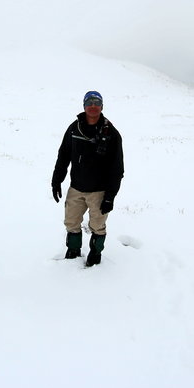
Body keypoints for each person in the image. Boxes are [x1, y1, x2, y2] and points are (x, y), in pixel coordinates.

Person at [51, 90, 124, 267]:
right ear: (84, 105)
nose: (93, 106)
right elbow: (64, 155)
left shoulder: (112, 134)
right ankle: (74, 250)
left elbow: (117, 169)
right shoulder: (74, 128)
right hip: (76, 188)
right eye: (89, 102)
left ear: (101, 106)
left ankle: (95, 253)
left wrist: (110, 197)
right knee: (71, 222)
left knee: (98, 225)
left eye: (96, 102)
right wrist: (56, 180)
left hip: (99, 191)